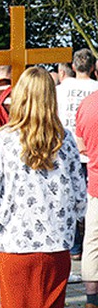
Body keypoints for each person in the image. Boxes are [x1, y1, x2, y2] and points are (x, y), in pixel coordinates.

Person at [0, 66, 86, 307]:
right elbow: (79, 194)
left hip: (14, 242)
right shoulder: (65, 139)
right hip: (56, 242)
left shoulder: (2, 138)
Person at [57, 49, 98, 268]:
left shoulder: (60, 90)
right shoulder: (96, 89)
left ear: (73, 67)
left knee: (69, 200)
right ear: (92, 68)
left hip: (66, 151)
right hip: (92, 153)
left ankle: (73, 246)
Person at [78, 80, 98, 308]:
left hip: (96, 183)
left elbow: (81, 145)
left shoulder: (87, 104)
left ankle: (92, 298)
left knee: (92, 241)